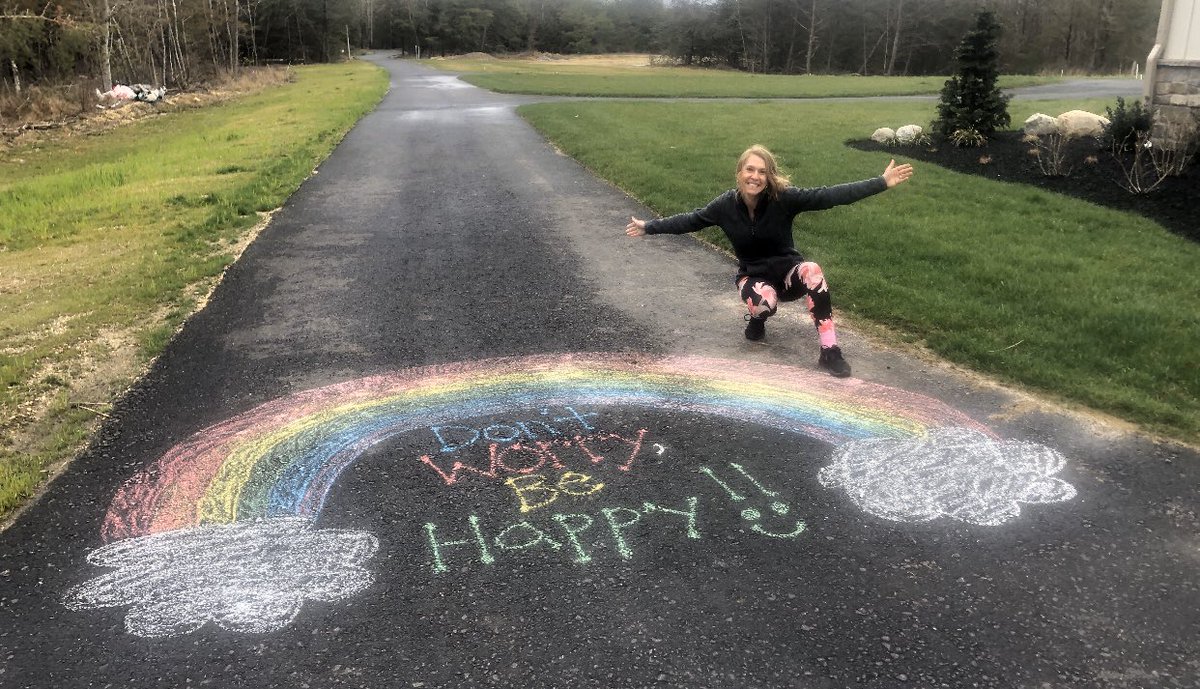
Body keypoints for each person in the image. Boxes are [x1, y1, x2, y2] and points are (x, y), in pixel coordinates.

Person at [625, 144, 913, 377]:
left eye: (762, 172)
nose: (755, 176)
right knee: (764, 302)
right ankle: (757, 319)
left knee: (812, 270)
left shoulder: (783, 198)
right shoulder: (724, 206)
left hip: (788, 276)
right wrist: (649, 227)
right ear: (739, 173)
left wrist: (881, 182)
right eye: (749, 169)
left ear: (769, 176)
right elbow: (690, 220)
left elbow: (829, 195)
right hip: (753, 277)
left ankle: (830, 351)